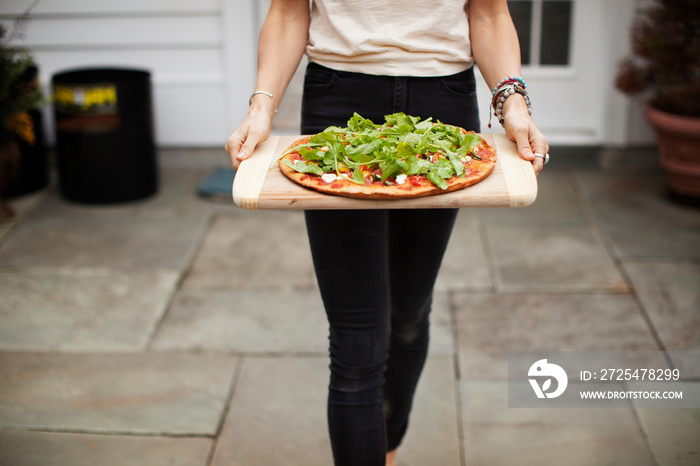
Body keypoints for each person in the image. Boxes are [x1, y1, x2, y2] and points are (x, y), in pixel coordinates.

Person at [225, 1, 549, 465]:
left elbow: (490, 14)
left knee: (408, 317)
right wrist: (261, 107)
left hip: (446, 104)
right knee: (358, 339)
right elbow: (289, 12)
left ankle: (387, 450)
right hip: (339, 98)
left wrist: (512, 103)